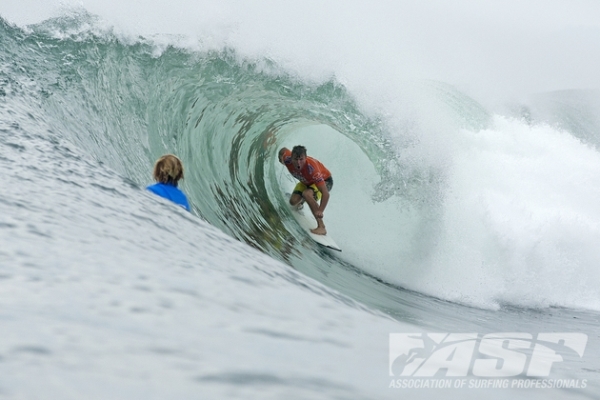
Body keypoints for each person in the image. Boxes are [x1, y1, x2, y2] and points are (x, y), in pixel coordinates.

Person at [278, 145, 333, 235]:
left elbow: (325, 194)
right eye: (296, 159)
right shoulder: (287, 159)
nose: (299, 163)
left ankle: (321, 227)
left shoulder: (312, 170)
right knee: (293, 202)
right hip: (306, 182)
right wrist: (280, 158)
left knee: (307, 194)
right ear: (291, 158)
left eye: (301, 159)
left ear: (306, 158)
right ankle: (301, 202)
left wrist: (320, 210)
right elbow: (283, 150)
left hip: (325, 181)